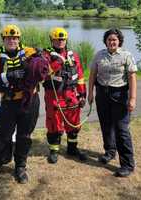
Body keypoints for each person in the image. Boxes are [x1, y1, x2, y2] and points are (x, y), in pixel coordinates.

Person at [0, 24, 40, 184]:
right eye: (8, 38)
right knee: (2, 136)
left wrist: (40, 60)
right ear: (4, 40)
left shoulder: (29, 52)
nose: (12, 41)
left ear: (19, 39)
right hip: (9, 102)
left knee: (24, 135)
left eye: (15, 38)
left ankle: (20, 166)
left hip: (29, 101)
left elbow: (45, 69)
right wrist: (9, 76)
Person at [88, 28, 137, 177]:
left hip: (119, 95)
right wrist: (90, 92)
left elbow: (132, 77)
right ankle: (109, 151)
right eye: (109, 39)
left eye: (114, 39)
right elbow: (92, 75)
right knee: (106, 125)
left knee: (121, 129)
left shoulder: (126, 55)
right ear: (106, 41)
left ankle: (127, 164)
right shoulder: (99, 55)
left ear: (119, 41)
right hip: (102, 94)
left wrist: (132, 99)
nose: (112, 42)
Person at [42, 27, 87, 164]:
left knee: (74, 123)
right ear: (52, 40)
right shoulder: (45, 55)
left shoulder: (73, 56)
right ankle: (54, 150)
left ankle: (72, 149)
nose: (60, 42)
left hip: (71, 95)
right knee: (54, 124)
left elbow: (79, 76)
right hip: (54, 96)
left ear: (66, 40)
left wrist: (82, 94)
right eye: (57, 39)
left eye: (62, 39)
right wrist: (58, 61)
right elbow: (44, 72)